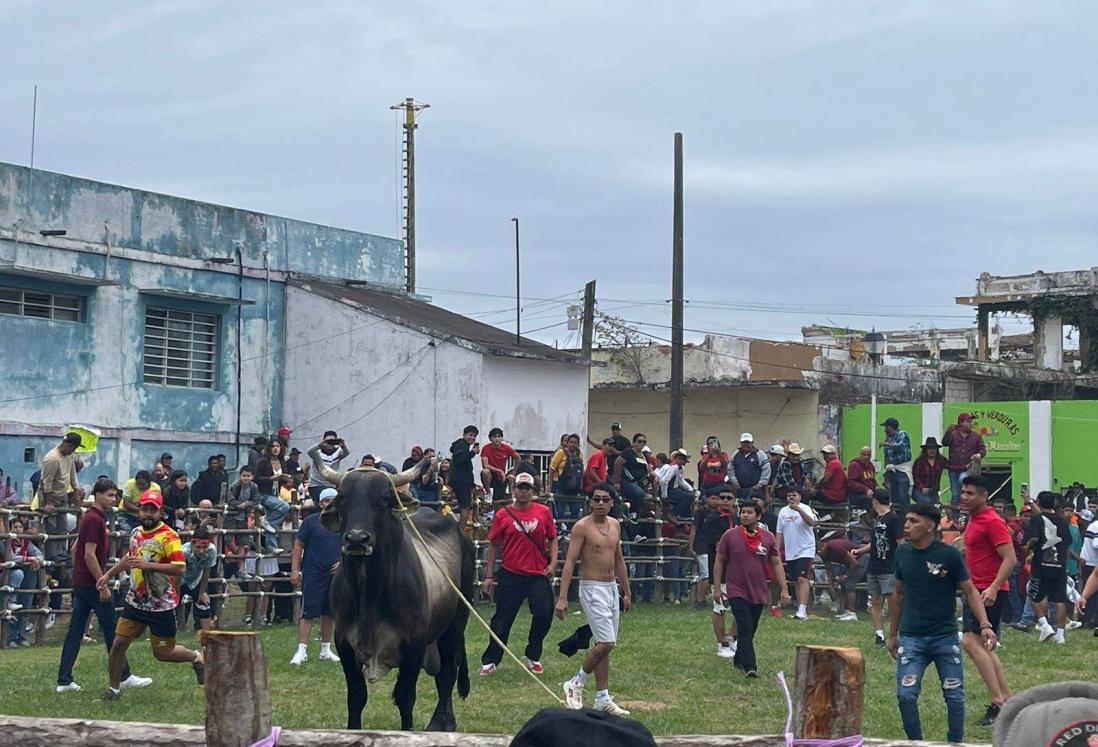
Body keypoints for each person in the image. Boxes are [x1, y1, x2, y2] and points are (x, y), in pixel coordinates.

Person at [889, 502, 997, 744]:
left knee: (955, 696)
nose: (907, 526)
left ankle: (954, 742)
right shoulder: (902, 553)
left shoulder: (949, 555)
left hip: (945, 638)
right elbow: (897, 594)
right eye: (906, 520)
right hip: (912, 637)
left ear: (931, 526)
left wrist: (985, 623)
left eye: (914, 521)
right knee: (906, 695)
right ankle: (915, 741)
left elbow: (970, 591)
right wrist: (892, 634)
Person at [97, 492, 204, 700]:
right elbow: (131, 557)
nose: (148, 514)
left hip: (160, 605)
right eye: (144, 509)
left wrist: (148, 565)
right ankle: (113, 689)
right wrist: (108, 574)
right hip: (135, 601)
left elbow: (179, 568)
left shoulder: (169, 536)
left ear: (160, 512)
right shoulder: (136, 532)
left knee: (163, 653)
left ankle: (196, 657)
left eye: (152, 510)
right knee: (118, 644)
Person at [57, 478, 150, 690]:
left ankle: (64, 680)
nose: (113, 499)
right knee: (112, 630)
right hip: (91, 584)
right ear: (97, 495)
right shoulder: (95, 519)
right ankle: (124, 675)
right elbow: (89, 555)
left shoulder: (92, 517)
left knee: (75, 630)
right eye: (109, 495)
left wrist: (78, 571)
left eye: (115, 495)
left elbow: (75, 549)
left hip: (82, 582)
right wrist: (102, 583)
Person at [557, 483, 631, 715]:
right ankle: (576, 682)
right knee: (607, 642)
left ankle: (602, 697)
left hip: (610, 587)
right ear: (590, 502)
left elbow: (618, 560)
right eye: (596, 499)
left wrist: (626, 591)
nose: (600, 503)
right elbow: (570, 562)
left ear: (612, 502)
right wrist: (562, 597)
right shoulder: (582, 527)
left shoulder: (615, 525)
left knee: (603, 643)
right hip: (591, 587)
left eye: (605, 499)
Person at [480, 473, 558, 676]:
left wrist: (554, 562)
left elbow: (553, 538)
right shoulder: (502, 514)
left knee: (544, 613)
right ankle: (491, 659)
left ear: (533, 492)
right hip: (511, 573)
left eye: (527, 488)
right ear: (513, 490)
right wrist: (489, 575)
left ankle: (533, 654)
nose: (523, 491)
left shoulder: (543, 512)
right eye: (520, 487)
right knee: (502, 619)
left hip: (537, 573)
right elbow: (494, 545)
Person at [957, 475, 1015, 727]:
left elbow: (1010, 558)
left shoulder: (992, 521)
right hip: (975, 587)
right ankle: (1007, 699)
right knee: (983, 644)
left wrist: (992, 588)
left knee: (971, 642)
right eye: (964, 492)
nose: (965, 497)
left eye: (971, 493)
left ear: (984, 496)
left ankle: (998, 702)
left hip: (987, 590)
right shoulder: (973, 518)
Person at [713, 501, 789, 677]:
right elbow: (719, 560)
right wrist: (717, 588)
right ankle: (751, 667)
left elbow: (777, 563)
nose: (745, 515)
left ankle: (739, 658)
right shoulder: (730, 535)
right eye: (742, 512)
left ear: (759, 516)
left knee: (750, 628)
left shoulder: (768, 537)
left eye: (749, 512)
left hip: (759, 590)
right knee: (745, 626)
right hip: (736, 589)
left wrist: (784, 589)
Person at [290, 487, 342, 665]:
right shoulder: (311, 521)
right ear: (321, 503)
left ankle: (325, 649)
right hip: (313, 572)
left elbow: (349, 545)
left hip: (334, 573)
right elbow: (298, 546)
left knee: (329, 612)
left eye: (334, 500)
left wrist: (343, 562)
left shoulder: (343, 522)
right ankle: (301, 649)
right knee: (308, 611)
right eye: (327, 500)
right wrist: (294, 570)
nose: (330, 504)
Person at [854, 489, 904, 647]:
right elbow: (876, 542)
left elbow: (900, 541)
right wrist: (861, 550)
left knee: (892, 601)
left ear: (875, 501)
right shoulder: (878, 519)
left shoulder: (893, 518)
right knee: (875, 600)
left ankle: (894, 633)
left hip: (888, 566)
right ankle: (879, 634)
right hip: (874, 565)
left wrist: (901, 562)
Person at [1026, 490, 1073, 645]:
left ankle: (1045, 625)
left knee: (1034, 594)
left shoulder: (1036, 519)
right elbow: (1067, 542)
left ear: (1038, 502)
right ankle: (1060, 635)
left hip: (1041, 563)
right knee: (1060, 599)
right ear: (1054, 504)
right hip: (1059, 565)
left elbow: (1033, 537)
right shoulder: (1062, 521)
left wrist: (1028, 547)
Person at [776, 487, 816, 621]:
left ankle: (803, 609)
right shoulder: (783, 512)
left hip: (806, 549)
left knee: (802, 578)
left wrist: (798, 510)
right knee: (795, 581)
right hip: (790, 550)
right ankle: (800, 608)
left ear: (799, 496)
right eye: (789, 496)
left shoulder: (805, 508)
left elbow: (812, 523)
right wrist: (776, 548)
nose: (791, 498)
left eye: (794, 495)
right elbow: (779, 532)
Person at [5, 515, 42, 647]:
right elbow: (11, 557)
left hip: (27, 575)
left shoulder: (26, 541)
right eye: (15, 527)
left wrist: (37, 559)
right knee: (12, 606)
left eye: (20, 527)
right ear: (9, 528)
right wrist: (28, 559)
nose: (18, 529)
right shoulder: (6, 541)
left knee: (25, 604)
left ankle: (21, 636)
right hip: (10, 576)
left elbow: (38, 553)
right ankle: (10, 637)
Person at [253, 440, 291, 553]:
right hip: (263, 493)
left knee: (270, 522)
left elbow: (284, 479)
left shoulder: (282, 461)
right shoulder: (263, 461)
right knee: (284, 507)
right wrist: (271, 478)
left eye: (278, 446)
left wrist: (285, 478)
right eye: (273, 446)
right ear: (269, 448)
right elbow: (256, 478)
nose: (275, 448)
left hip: (276, 493)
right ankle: (267, 522)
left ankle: (271, 547)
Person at [942, 412, 986, 506]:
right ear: (961, 423)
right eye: (968, 421)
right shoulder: (953, 434)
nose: (971, 423)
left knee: (964, 486)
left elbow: (983, 450)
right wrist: (948, 432)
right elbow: (945, 443)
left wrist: (978, 454)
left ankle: (966, 512)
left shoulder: (976, 436)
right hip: (953, 468)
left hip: (968, 467)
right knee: (955, 494)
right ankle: (955, 517)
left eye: (971, 421)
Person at [180, 525, 217, 632]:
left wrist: (201, 593)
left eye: (204, 547)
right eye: (198, 547)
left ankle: (207, 634)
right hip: (179, 580)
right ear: (192, 544)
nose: (201, 551)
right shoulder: (183, 551)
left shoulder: (212, 550)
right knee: (171, 605)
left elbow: (206, 572)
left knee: (204, 602)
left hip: (195, 580)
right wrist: (176, 591)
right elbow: (177, 573)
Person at [822, 533, 865, 621]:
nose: (819, 553)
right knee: (843, 585)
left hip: (860, 559)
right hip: (849, 563)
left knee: (849, 585)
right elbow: (829, 571)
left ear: (823, 546)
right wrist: (832, 586)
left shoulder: (835, 546)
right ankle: (846, 611)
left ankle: (852, 613)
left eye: (819, 550)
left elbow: (854, 562)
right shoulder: (824, 554)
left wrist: (845, 575)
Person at [550, 434, 586, 523]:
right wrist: (549, 485)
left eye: (575, 443)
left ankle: (571, 529)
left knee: (575, 510)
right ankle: (560, 529)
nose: (572, 444)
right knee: (560, 510)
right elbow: (552, 469)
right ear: (567, 443)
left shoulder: (579, 454)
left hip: (575, 487)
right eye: (571, 442)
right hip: (560, 484)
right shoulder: (561, 452)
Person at [449, 425, 480, 527]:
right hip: (461, 481)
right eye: (470, 435)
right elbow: (460, 460)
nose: (472, 438)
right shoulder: (462, 445)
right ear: (464, 435)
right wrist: (472, 453)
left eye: (474, 436)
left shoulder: (461, 445)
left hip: (460, 480)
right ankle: (461, 532)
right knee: (465, 507)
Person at [610, 433, 652, 507]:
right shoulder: (628, 452)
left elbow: (649, 469)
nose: (642, 443)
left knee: (646, 495)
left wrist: (655, 476)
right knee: (639, 493)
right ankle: (634, 513)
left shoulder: (644, 456)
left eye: (644, 442)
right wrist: (616, 482)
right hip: (627, 481)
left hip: (641, 483)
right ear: (634, 442)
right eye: (639, 441)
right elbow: (617, 464)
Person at [307, 431, 349, 502]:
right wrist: (320, 445)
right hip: (316, 485)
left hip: (331, 485)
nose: (330, 444)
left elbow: (346, 453)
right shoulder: (317, 453)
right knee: (325, 502)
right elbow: (309, 452)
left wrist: (343, 446)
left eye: (333, 441)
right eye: (328, 441)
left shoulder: (338, 452)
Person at [880, 418, 912, 510]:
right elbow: (886, 457)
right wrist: (885, 473)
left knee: (903, 497)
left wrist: (886, 444)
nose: (884, 430)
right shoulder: (887, 439)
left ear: (890, 427)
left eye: (886, 427)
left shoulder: (902, 434)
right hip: (891, 470)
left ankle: (905, 518)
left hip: (902, 470)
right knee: (892, 498)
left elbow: (900, 445)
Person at [729, 434, 770, 503]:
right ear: (741, 443)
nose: (746, 444)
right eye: (744, 442)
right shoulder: (735, 454)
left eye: (748, 442)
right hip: (739, 490)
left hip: (756, 491)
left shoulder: (760, 454)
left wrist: (759, 485)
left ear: (752, 443)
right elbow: (730, 469)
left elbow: (766, 471)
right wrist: (734, 481)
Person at [481, 428, 520, 502]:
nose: (496, 439)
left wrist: (513, 473)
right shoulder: (486, 448)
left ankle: (512, 496)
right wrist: (499, 470)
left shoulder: (506, 448)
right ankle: (488, 493)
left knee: (498, 500)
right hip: (490, 475)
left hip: (501, 478)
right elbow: (485, 465)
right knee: (485, 471)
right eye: (494, 437)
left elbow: (518, 458)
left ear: (501, 438)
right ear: (490, 438)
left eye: (499, 436)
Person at [911, 438, 946, 505]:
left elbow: (950, 465)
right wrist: (922, 488)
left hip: (933, 491)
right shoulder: (919, 461)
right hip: (919, 490)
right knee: (926, 502)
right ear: (926, 450)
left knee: (936, 506)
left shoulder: (941, 460)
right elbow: (915, 476)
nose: (932, 451)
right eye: (930, 448)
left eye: (934, 448)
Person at [663, 449, 695, 519]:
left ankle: (682, 514)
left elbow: (680, 481)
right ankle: (672, 512)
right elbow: (665, 481)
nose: (681, 461)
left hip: (674, 489)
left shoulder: (680, 468)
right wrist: (664, 495)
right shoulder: (673, 468)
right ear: (675, 459)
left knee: (690, 495)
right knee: (689, 496)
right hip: (670, 490)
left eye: (682, 459)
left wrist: (690, 489)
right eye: (679, 459)